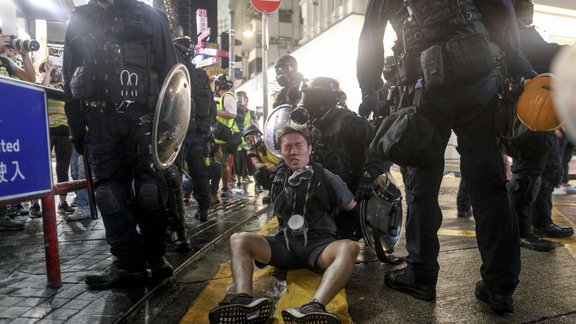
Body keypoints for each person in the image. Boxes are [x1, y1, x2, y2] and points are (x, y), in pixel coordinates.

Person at [357, 0, 535, 314]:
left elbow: (370, 37)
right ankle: (500, 286)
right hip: (480, 78)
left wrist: (369, 90)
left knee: (422, 187)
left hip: (425, 87)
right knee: (489, 186)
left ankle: (421, 275)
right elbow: (502, 12)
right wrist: (518, 65)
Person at [63, 0, 179, 289]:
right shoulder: (79, 20)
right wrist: (77, 128)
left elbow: (172, 75)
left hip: (145, 123)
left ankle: (155, 258)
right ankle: (129, 264)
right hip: (100, 123)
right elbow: (69, 78)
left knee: (150, 192)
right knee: (108, 196)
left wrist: (170, 129)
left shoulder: (151, 17)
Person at [209, 124, 359, 323]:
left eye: (299, 145)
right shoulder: (279, 178)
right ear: (280, 151)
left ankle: (315, 307)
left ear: (310, 149)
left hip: (320, 248)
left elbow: (352, 209)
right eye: (287, 147)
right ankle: (244, 301)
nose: (293, 151)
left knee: (350, 248)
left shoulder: (328, 178)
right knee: (239, 240)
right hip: (285, 247)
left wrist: (339, 239)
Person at [507, 0, 573, 252]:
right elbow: (545, 52)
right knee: (527, 173)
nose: (530, 7)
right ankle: (520, 230)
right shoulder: (511, 32)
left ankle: (541, 222)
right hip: (526, 115)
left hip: (543, 115)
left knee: (550, 169)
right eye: (525, 3)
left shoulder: (525, 29)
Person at [291, 77, 388, 240]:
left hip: (351, 190)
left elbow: (382, 146)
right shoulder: (315, 126)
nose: (308, 102)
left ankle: (364, 223)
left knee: (335, 239)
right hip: (326, 189)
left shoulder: (349, 122)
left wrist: (370, 175)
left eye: (313, 97)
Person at [174, 35, 215, 223]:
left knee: (172, 173)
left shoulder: (174, 71)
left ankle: (175, 215)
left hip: (177, 132)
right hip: (198, 134)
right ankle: (203, 208)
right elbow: (212, 108)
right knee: (200, 172)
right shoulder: (200, 75)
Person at [30, 58, 76, 218]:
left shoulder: (66, 85)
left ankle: (62, 203)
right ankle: (35, 205)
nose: (57, 70)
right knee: (40, 167)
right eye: (53, 67)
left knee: (63, 169)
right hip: (46, 130)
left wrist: (65, 75)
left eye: (58, 67)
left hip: (64, 132)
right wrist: (48, 72)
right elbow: (41, 88)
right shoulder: (44, 82)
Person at [0, 26, 36, 230]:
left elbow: (30, 79)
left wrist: (26, 55)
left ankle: (3, 211)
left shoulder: (6, 61)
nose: (5, 39)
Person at [213, 74, 238, 198]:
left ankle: (224, 188)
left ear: (219, 85)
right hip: (219, 135)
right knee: (221, 162)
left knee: (223, 163)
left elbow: (232, 114)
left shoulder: (227, 97)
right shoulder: (223, 97)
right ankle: (222, 188)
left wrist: (215, 112)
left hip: (223, 136)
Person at [243, 124, 281, 203]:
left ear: (259, 136)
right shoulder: (252, 151)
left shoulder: (270, 143)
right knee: (258, 174)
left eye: (253, 138)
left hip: (281, 166)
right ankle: (271, 191)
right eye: (248, 139)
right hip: (270, 169)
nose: (251, 141)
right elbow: (257, 164)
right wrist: (266, 164)